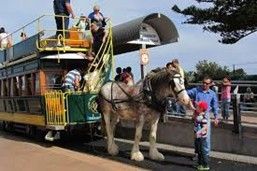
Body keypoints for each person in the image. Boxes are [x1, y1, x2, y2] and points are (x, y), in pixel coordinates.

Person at [187, 76, 219, 166]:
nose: (204, 84)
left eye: (207, 83)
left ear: (210, 84)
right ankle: (198, 154)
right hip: (196, 116)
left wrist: (216, 117)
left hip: (205, 117)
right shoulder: (196, 90)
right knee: (197, 137)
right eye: (203, 82)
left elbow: (215, 106)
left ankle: (205, 156)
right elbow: (186, 93)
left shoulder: (212, 93)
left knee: (205, 138)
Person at [193, 101, 209, 170]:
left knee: (202, 151)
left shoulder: (203, 117)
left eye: (198, 107)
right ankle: (200, 164)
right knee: (199, 151)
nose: (196, 108)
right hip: (198, 137)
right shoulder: (199, 116)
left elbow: (205, 127)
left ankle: (205, 165)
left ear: (201, 108)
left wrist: (198, 132)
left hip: (201, 137)